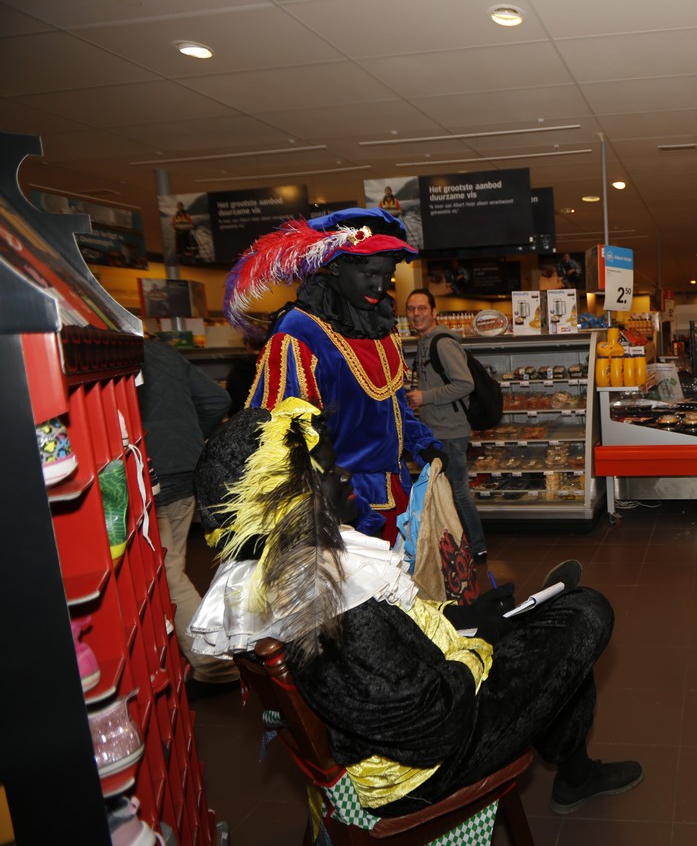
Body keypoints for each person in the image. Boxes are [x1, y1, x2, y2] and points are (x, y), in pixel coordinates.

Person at [189, 399, 643, 818]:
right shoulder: (324, 605)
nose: (344, 475)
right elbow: (431, 725)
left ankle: (575, 769)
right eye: (326, 470)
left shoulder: (284, 572)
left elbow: (398, 636)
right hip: (426, 766)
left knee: (548, 625)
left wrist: (465, 618)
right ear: (284, 498)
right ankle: (576, 774)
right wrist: (482, 642)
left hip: (421, 711)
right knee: (587, 612)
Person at [224, 207, 442, 541]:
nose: (379, 286)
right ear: (337, 267)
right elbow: (279, 433)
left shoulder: (383, 325)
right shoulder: (300, 331)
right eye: (369, 273)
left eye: (387, 276)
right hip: (341, 504)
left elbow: (394, 407)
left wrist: (424, 445)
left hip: (396, 492)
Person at [139, 335, 238, 697]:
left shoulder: (109, 356)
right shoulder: (162, 351)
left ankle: (216, 665)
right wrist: (192, 436)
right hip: (185, 468)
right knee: (170, 566)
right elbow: (216, 399)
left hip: (150, 472)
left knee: (166, 574)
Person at [405, 288, 488, 563]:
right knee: (444, 494)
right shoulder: (423, 343)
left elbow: (465, 384)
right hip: (434, 430)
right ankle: (454, 546)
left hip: (451, 431)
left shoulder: (442, 343)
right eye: (411, 309)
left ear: (434, 312)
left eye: (422, 308)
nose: (416, 314)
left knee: (459, 492)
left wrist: (425, 397)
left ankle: (478, 548)